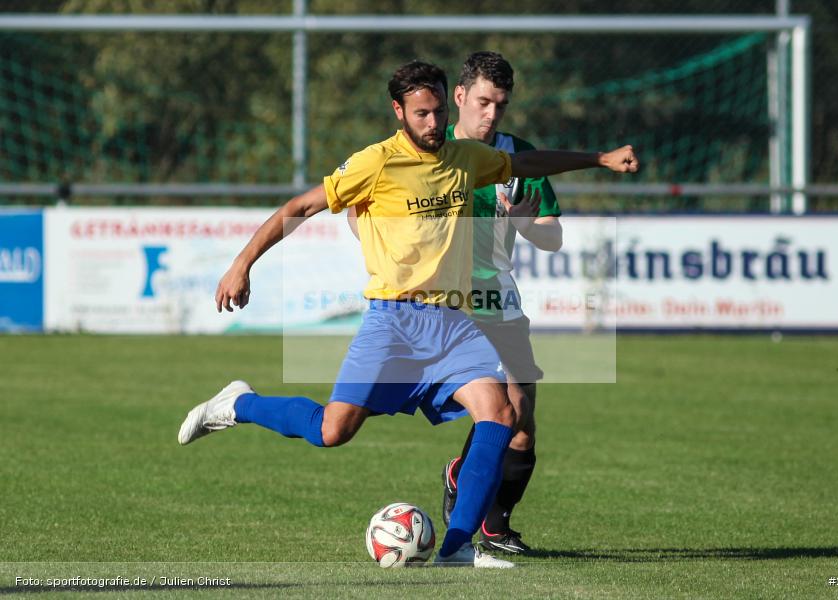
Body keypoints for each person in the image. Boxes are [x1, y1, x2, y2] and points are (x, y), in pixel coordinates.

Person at [177, 60, 638, 568]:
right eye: (422, 114)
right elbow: (302, 207)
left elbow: (530, 165)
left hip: (455, 324)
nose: (433, 123)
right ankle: (239, 404)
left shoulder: (467, 157)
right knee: (333, 431)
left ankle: (458, 547)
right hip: (393, 324)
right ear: (399, 112)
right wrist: (242, 264)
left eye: (439, 111)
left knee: (502, 414)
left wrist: (600, 159)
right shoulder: (375, 163)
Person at [441, 51, 562, 555]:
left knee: (522, 430)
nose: (491, 115)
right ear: (461, 97)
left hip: (500, 301)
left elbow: (551, 237)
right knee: (502, 412)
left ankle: (485, 508)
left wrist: (524, 225)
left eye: (501, 106)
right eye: (484, 102)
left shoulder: (519, 156)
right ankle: (480, 526)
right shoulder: (429, 149)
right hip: (444, 304)